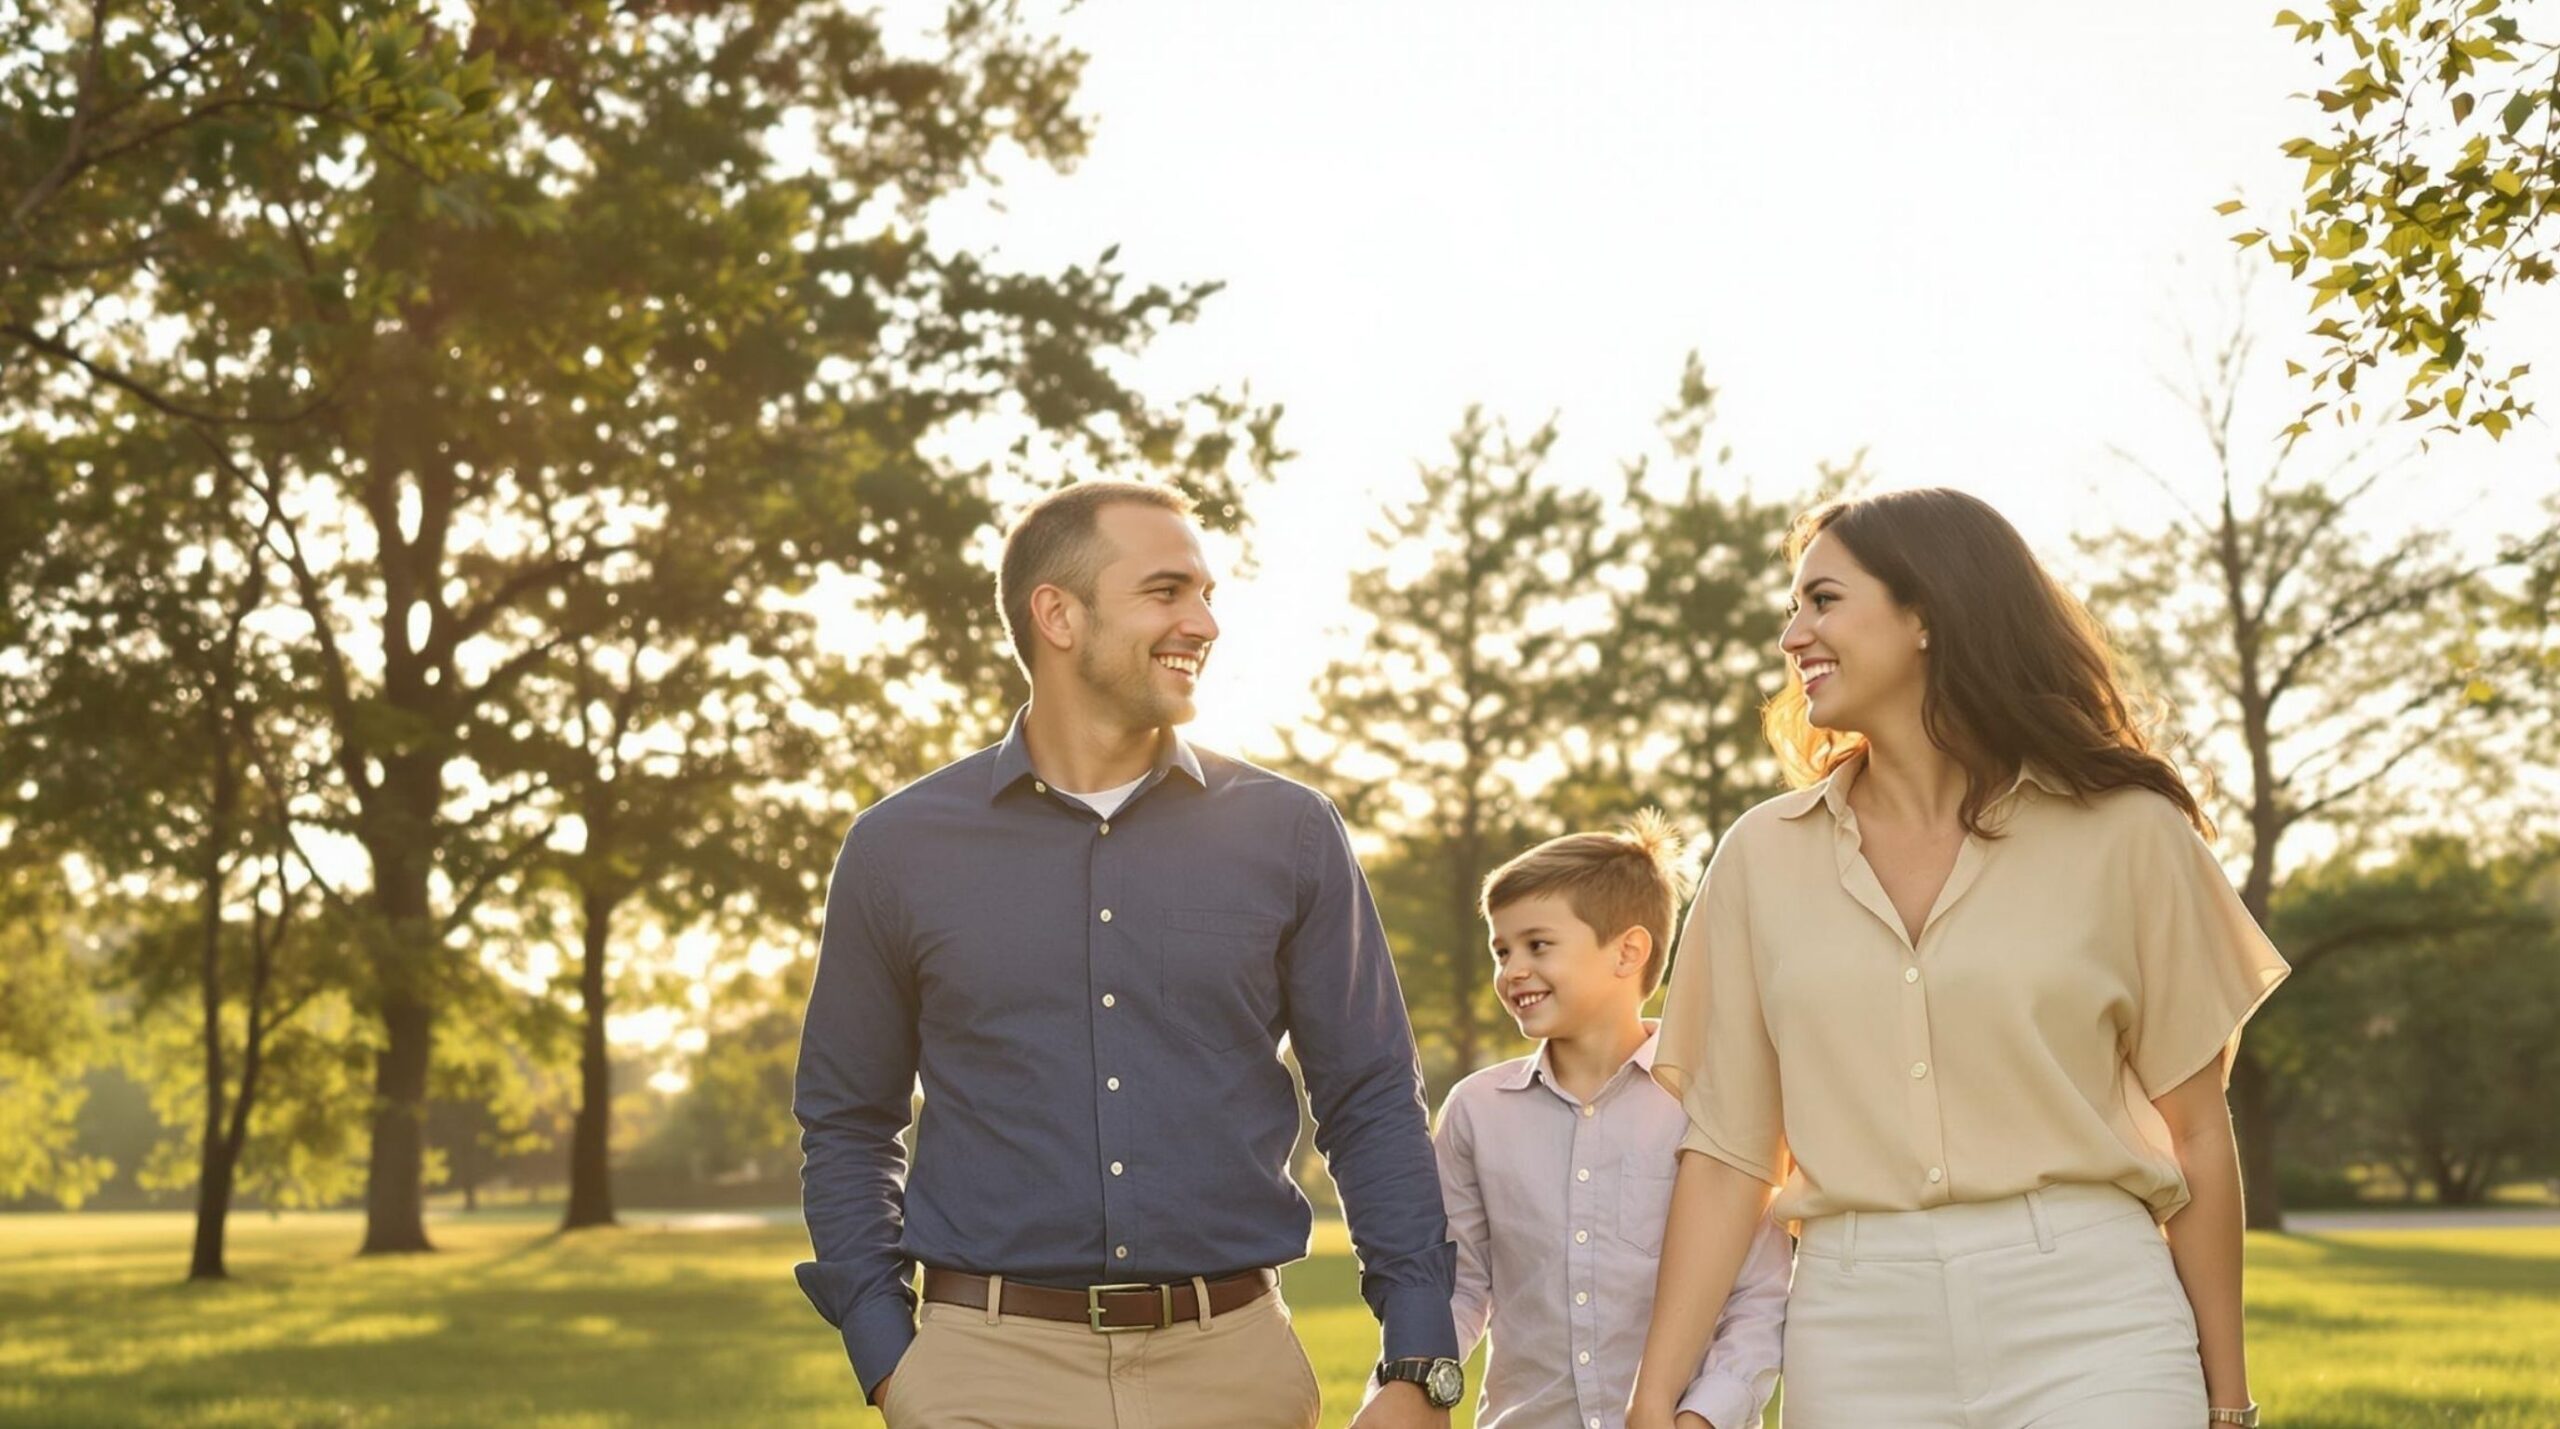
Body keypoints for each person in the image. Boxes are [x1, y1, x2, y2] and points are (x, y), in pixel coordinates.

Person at [793, 481, 1463, 1429]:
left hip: (1231, 1368)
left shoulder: (1290, 833)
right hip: (985, 1372)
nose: (1205, 622)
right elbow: (848, 1119)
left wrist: (1420, 1354)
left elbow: (1371, 1098)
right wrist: (892, 1359)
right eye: (1167, 591)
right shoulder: (898, 849)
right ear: (1057, 614)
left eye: (1208, 592)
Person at [1628, 488, 2289, 1429]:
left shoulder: (2127, 833)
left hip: (2094, 1315)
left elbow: (2196, 1132)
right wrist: (1655, 1396)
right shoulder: (1759, 858)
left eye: (1822, 600)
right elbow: (1733, 1155)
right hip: (1857, 1330)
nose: (1791, 636)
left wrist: (2227, 1399)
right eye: (1792, 606)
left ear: (1926, 613)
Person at [1436, 815, 1788, 1429]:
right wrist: (1414, 1379)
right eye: (1502, 950)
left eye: (1537, 945)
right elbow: (1459, 1286)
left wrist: (1703, 1416)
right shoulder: (1474, 1111)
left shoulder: (1712, 1104)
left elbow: (1759, 1294)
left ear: (1628, 951)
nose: (1512, 968)